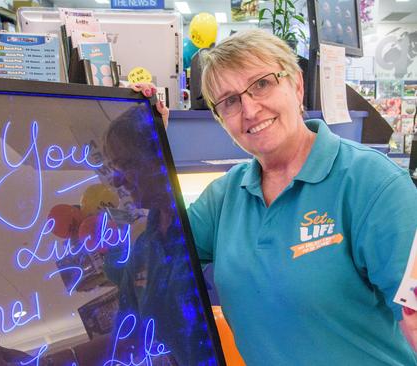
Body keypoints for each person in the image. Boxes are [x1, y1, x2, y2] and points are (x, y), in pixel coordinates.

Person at [135, 28, 417, 365]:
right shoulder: (225, 197)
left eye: (262, 84)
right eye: (230, 101)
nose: (250, 110)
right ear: (221, 119)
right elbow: (159, 246)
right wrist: (147, 141)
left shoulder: (373, 184)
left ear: (296, 85)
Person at [102, 106, 214, 365]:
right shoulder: (142, 248)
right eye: (114, 168)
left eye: (126, 165)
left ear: (159, 156)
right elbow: (128, 330)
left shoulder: (205, 223)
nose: (117, 181)